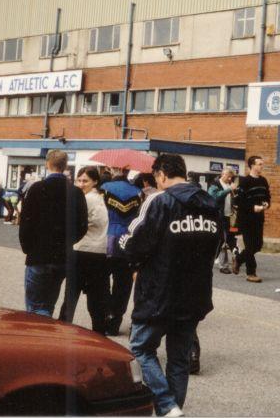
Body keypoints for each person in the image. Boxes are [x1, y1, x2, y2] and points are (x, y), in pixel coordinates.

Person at [119, 154, 222, 417]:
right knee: (178, 359)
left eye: (156, 178)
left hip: (158, 293)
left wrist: (134, 260)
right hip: (194, 294)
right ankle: (173, 410)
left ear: (162, 175)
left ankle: (167, 406)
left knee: (141, 348)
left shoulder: (159, 201)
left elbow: (134, 243)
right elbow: (216, 246)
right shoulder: (210, 204)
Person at [18, 149, 87, 316]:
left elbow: (26, 222)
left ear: (47, 164)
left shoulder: (36, 188)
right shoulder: (76, 192)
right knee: (49, 303)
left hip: (39, 255)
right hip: (61, 256)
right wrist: (67, 242)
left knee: (35, 307)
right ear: (65, 166)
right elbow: (82, 225)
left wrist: (28, 248)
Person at [59, 166, 110, 334]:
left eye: (85, 181)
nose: (81, 184)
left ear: (95, 181)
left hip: (81, 251)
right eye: (79, 180)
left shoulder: (85, 199)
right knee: (97, 303)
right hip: (100, 253)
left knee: (70, 299)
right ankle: (100, 337)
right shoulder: (101, 199)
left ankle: (60, 334)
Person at [101, 167, 143, 336]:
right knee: (123, 284)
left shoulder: (104, 189)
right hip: (127, 239)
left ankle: (104, 315)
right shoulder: (138, 192)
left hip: (107, 237)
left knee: (102, 281)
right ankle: (115, 321)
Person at [233, 156, 270, 283]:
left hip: (259, 218)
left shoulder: (263, 181)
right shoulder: (245, 181)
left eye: (262, 164)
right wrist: (253, 207)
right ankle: (251, 273)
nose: (261, 166)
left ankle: (238, 259)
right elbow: (238, 201)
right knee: (250, 245)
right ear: (252, 166)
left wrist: (266, 204)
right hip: (246, 219)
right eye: (259, 164)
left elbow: (267, 197)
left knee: (258, 245)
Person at [208, 168, 237, 274]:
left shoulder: (230, 186)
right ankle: (223, 265)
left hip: (227, 216)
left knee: (224, 240)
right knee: (221, 240)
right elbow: (214, 197)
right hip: (217, 216)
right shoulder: (215, 184)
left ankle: (215, 261)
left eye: (231, 177)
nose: (229, 179)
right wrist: (229, 190)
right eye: (228, 176)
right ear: (222, 174)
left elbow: (231, 200)